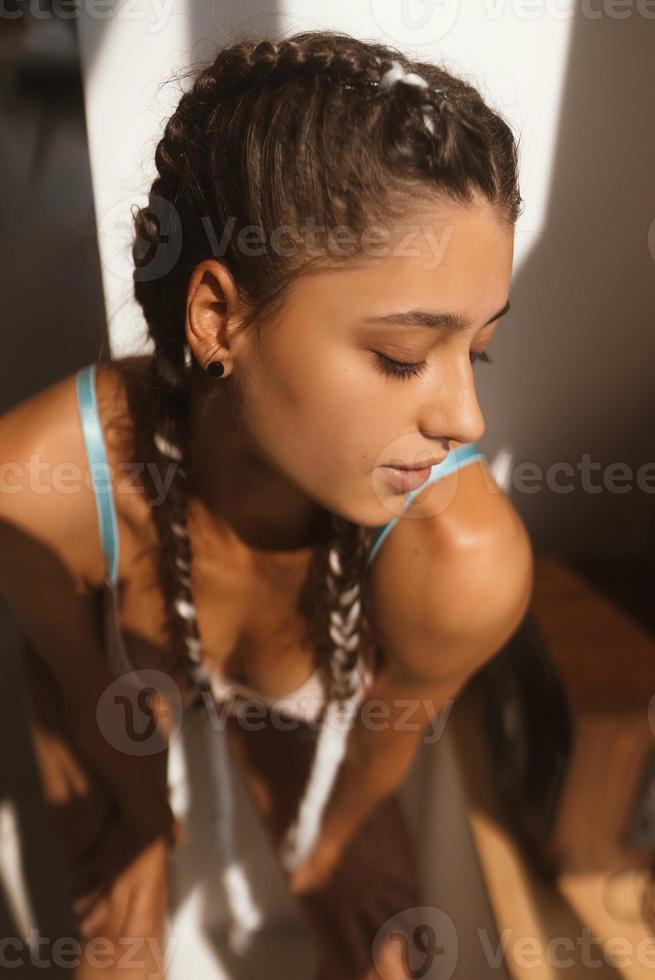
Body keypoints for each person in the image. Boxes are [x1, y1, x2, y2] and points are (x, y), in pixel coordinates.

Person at [0, 29, 534, 980]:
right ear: (218, 317)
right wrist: (141, 828)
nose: (466, 416)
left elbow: (381, 746)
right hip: (115, 690)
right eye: (404, 357)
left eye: (476, 349)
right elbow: (87, 690)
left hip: (321, 701)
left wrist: (328, 845)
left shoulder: (463, 566)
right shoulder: (34, 496)